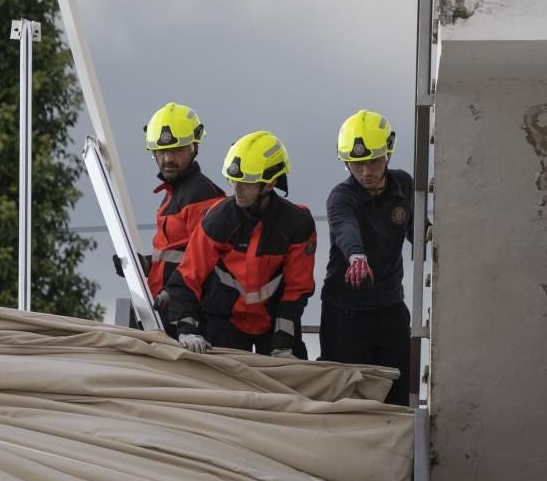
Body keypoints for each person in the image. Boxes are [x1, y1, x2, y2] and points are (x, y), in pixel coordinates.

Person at [164, 131, 316, 358]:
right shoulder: (218, 219)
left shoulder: (297, 224)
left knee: (292, 382)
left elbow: (296, 290)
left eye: (245, 183)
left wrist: (284, 342)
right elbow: (187, 277)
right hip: (224, 319)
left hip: (273, 321)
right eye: (233, 180)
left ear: (270, 183)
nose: (236, 189)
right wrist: (188, 330)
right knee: (221, 386)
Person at [321, 110, 415, 407]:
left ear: (388, 154)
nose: (365, 172)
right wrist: (356, 255)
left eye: (373, 161)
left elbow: (414, 228)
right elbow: (345, 226)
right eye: (356, 164)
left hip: (389, 306)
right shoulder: (341, 195)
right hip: (345, 312)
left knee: (398, 393)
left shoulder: (404, 185)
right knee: (345, 395)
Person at [127, 103, 224, 332]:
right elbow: (175, 255)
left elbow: (205, 263)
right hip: (166, 311)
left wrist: (174, 298)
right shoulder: (175, 194)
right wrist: (146, 265)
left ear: (194, 147)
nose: (168, 158)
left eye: (177, 150)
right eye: (161, 151)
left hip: (188, 316)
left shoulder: (201, 195)